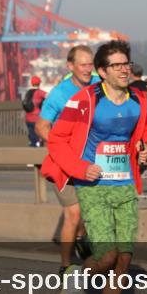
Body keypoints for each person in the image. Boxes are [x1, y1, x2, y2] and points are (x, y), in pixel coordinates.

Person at [42, 40, 147, 294]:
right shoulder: (84, 99)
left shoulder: (139, 99)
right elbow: (56, 139)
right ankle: (76, 280)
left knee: (125, 257)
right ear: (102, 72)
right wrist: (80, 168)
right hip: (93, 186)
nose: (124, 70)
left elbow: (146, 134)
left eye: (126, 63)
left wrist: (146, 150)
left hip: (125, 184)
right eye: (116, 65)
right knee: (107, 256)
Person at [35, 45, 100, 275]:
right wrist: (60, 146)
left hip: (92, 162)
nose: (87, 69)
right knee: (73, 213)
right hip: (64, 164)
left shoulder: (100, 85)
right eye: (82, 65)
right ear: (70, 66)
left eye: (90, 64)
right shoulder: (60, 93)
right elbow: (41, 126)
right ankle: (65, 264)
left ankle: (82, 238)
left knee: (90, 213)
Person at [22, 75, 47, 147]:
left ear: (31, 83)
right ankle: (38, 145)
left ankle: (33, 146)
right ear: (39, 83)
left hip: (28, 118)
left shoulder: (28, 92)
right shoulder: (40, 92)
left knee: (32, 135)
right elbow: (50, 97)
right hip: (37, 118)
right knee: (40, 134)